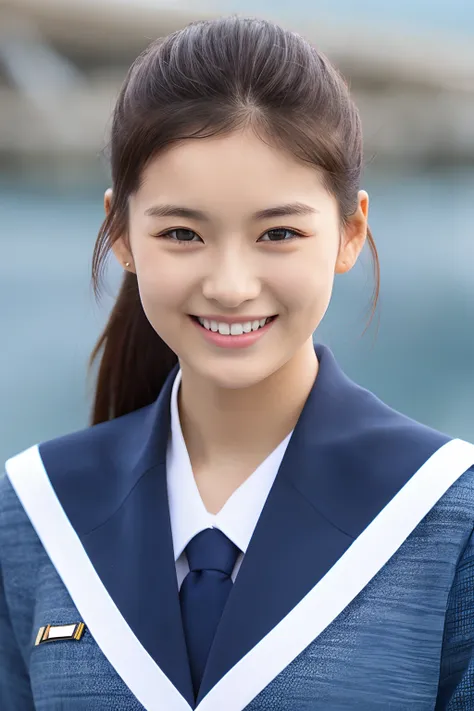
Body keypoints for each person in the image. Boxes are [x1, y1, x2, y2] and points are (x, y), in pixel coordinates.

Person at [0, 15, 473, 711]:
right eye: (182, 233)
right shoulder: (35, 515)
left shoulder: (447, 518)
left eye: (278, 232)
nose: (229, 283)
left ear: (350, 232)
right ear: (119, 232)